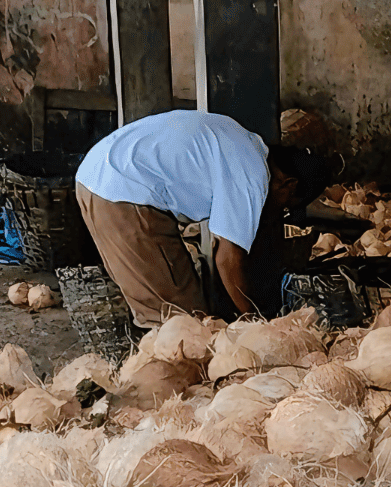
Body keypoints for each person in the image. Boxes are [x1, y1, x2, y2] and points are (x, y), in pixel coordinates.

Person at [74, 110, 332, 328]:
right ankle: (165, 384)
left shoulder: (245, 144)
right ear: (288, 184)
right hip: (125, 191)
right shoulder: (252, 177)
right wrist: (254, 321)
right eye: (288, 205)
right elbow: (228, 259)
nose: (280, 210)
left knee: (169, 311)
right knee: (181, 322)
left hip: (98, 176)